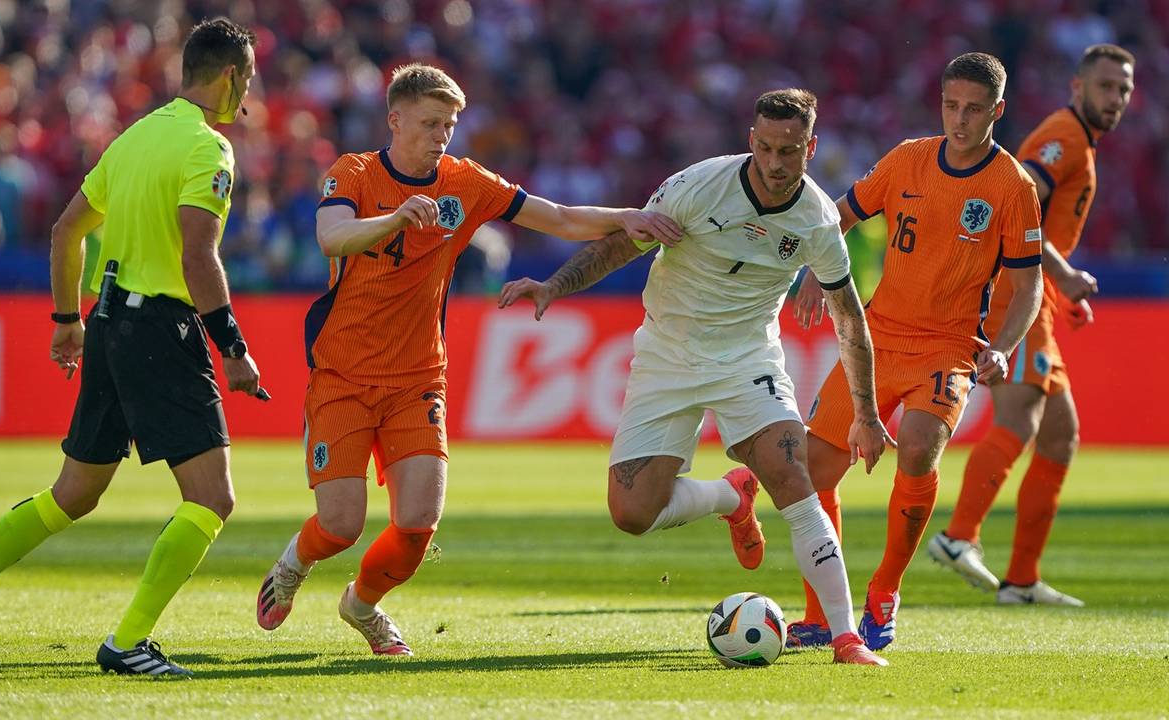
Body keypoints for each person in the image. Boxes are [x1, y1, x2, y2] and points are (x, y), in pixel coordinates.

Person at [254, 63, 680, 656]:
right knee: (341, 525)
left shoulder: (466, 182)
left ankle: (362, 605)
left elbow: (556, 217)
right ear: (395, 119)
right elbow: (333, 237)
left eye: (449, 125)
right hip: (343, 375)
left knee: (416, 528)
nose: (441, 136)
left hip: (418, 377)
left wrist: (625, 218)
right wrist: (396, 217)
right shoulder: (352, 172)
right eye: (430, 123)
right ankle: (295, 563)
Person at [0, 18, 262, 677]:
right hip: (160, 330)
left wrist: (68, 319)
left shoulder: (134, 139)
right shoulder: (209, 150)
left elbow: (67, 229)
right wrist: (233, 348)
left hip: (107, 322)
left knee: (75, 491)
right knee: (212, 498)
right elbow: (198, 256)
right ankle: (128, 642)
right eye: (248, 79)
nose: (249, 94)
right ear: (230, 77)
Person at [501, 89, 893, 666]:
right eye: (764, 147)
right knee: (632, 513)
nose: (775, 162)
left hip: (747, 359)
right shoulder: (698, 185)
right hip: (668, 352)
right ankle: (728, 498)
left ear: (811, 147)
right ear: (750, 140)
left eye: (789, 150)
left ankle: (845, 637)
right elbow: (620, 245)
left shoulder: (817, 219)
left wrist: (867, 412)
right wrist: (554, 287)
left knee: (793, 475)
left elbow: (849, 318)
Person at [789, 52, 1044, 650]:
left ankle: (884, 591)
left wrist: (1004, 346)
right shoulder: (906, 159)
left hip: (951, 346)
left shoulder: (1012, 187)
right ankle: (824, 611)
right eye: (951, 106)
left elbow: (1028, 283)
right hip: (876, 338)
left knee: (920, 445)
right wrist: (810, 269)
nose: (959, 120)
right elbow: (842, 213)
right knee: (814, 469)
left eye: (974, 110)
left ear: (997, 112)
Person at [928, 44, 1135, 606]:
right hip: (1013, 297)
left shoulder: (1078, 143)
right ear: (1076, 87)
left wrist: (1062, 292)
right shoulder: (1062, 138)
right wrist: (1064, 277)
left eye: (1123, 89)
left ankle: (1021, 580)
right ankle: (957, 535)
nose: (1115, 98)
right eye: (1105, 86)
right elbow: (1015, 214)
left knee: (1061, 437)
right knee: (1022, 416)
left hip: (1040, 299)